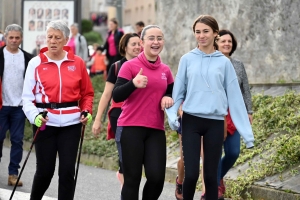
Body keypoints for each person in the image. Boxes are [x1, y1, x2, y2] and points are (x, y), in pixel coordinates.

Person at [165, 15, 255, 200]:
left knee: (211, 176)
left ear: (215, 33)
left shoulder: (224, 62)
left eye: (206, 31)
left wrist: (246, 133)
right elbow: (178, 93)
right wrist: (173, 116)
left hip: (215, 122)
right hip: (191, 120)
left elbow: (235, 99)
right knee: (191, 174)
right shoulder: (187, 59)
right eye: (197, 32)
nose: (201, 36)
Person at [22, 20, 94, 200]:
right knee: (45, 171)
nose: (52, 41)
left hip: (71, 124)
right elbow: (27, 99)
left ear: (66, 40)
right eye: (49, 37)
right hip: (45, 122)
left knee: (67, 171)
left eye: (57, 38)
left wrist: (86, 111)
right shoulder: (35, 63)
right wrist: (35, 117)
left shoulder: (77, 63)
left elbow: (87, 93)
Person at [112, 25, 174, 200]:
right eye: (151, 38)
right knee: (132, 179)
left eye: (159, 38)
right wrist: (133, 83)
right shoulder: (130, 66)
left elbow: (171, 91)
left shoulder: (165, 70)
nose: (156, 42)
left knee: (157, 178)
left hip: (155, 129)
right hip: (130, 128)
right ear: (142, 42)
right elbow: (116, 95)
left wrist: (168, 97)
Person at [92, 33, 141, 188]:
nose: (137, 47)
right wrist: (98, 119)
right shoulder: (117, 66)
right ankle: (126, 186)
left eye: (139, 44)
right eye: (133, 44)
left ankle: (122, 174)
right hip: (119, 115)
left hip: (140, 114)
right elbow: (107, 95)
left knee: (136, 156)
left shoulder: (146, 64)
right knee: (125, 155)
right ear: (124, 47)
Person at [0, 24, 33, 186]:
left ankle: (13, 174)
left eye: (17, 37)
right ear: (5, 37)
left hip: (19, 107)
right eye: (11, 37)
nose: (14, 40)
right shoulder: (0, 55)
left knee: (17, 140)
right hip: (1, 106)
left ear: (21, 38)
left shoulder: (28, 58)